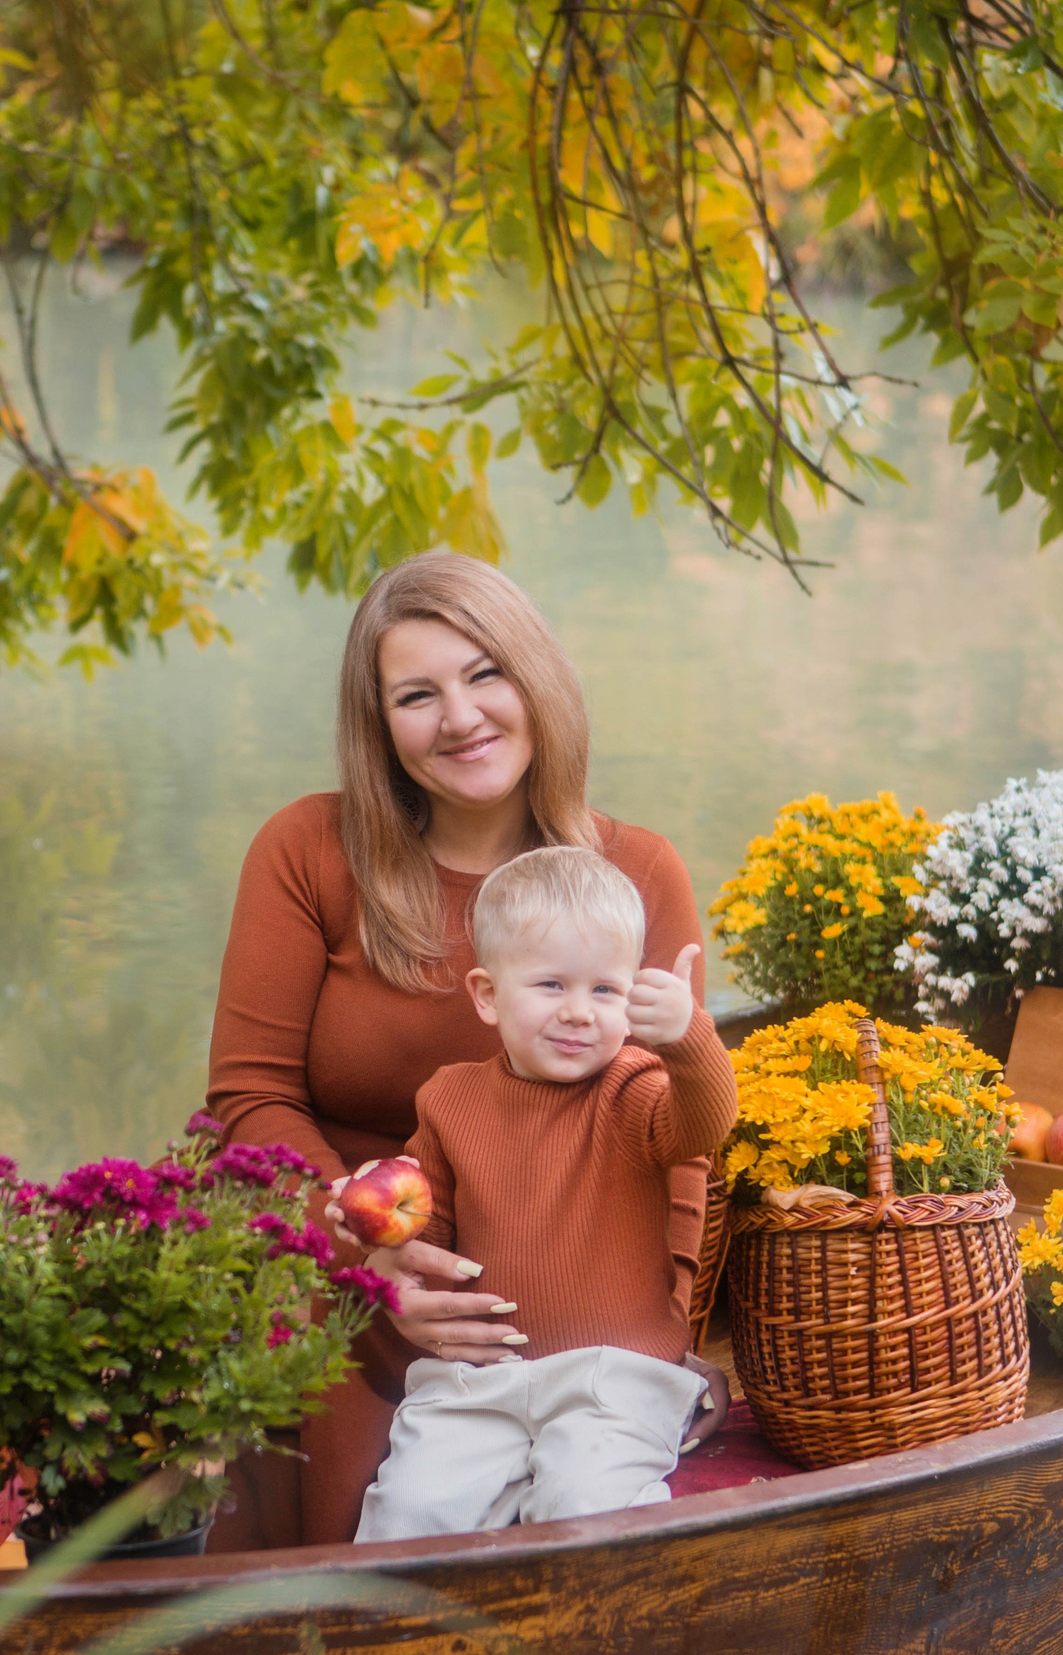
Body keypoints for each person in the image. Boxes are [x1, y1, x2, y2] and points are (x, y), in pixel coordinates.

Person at [204, 549, 719, 1546]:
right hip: (345, 1256)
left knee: (587, 1489)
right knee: (374, 1517)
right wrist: (368, 1261)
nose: (460, 715)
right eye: (416, 693)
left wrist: (663, 1332)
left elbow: (677, 1136)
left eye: (485, 672)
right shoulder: (308, 850)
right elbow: (250, 1099)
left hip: (568, 1282)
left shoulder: (633, 871)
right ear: (380, 726)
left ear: (536, 680)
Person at [349, 847, 734, 1540]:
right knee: (409, 1508)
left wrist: (688, 1038)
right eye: (552, 986)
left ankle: (595, 1643)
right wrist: (377, 1223)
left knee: (590, 1507)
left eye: (606, 991)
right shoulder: (450, 1099)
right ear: (488, 995)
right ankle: (401, 1642)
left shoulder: (637, 1090)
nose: (580, 1013)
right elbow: (423, 1235)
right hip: (479, 1378)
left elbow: (705, 1122)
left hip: (612, 1376)